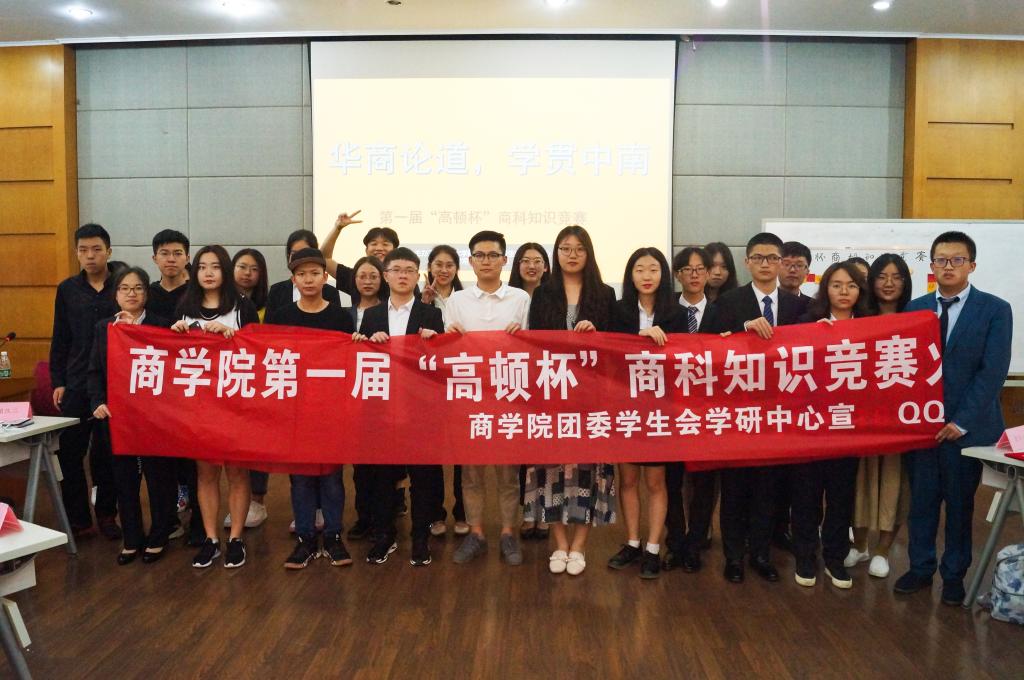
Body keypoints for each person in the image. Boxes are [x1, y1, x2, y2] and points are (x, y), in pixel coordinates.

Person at [895, 231, 1012, 606]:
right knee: (922, 503)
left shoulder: (995, 309)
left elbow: (992, 372)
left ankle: (954, 576)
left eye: (957, 260)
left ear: (971, 265)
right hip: (922, 429)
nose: (948, 266)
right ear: (931, 265)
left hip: (966, 431)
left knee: (961, 507)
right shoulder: (914, 309)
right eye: (941, 260)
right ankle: (920, 568)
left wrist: (960, 421)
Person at [712, 232, 808, 584]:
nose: (765, 264)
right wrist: (742, 330)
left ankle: (761, 555)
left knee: (768, 490)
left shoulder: (799, 306)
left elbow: (815, 347)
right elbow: (707, 346)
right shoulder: (728, 302)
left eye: (772, 258)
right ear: (747, 262)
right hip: (738, 412)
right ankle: (733, 557)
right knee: (735, 489)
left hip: (779, 414)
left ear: (782, 263)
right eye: (758, 258)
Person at [525, 225, 617, 576]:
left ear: (588, 253)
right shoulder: (543, 294)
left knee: (589, 471)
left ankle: (579, 545)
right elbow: (535, 344)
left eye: (579, 248)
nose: (572, 254)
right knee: (550, 469)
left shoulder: (605, 294)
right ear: (557, 253)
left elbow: (615, 347)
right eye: (565, 248)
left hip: (592, 397)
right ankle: (559, 543)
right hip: (552, 395)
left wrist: (596, 335)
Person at [445, 230, 531, 566]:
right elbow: (446, 352)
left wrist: (523, 337)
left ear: (504, 260)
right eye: (479, 255)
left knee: (508, 473)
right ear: (470, 261)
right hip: (469, 398)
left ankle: (509, 533)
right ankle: (476, 532)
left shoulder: (520, 299)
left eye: (493, 255)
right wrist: (448, 338)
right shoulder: (456, 301)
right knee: (471, 473)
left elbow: (533, 348)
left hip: (509, 395)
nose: (486, 261)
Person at [264, 248, 354, 569]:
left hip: (330, 411)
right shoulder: (281, 316)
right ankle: (304, 538)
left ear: (325, 277)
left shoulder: (341, 317)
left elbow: (350, 363)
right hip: (295, 411)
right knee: (301, 478)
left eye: (315, 273)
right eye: (301, 274)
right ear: (293, 280)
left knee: (331, 478)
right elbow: (267, 357)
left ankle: (333, 536)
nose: (308, 279)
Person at [171, 245, 260, 569]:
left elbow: (259, 351)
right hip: (200, 405)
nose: (208, 273)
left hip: (235, 401)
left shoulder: (242, 306)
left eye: (215, 266)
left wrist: (232, 335)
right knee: (206, 473)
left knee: (237, 472)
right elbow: (173, 357)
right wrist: (175, 334)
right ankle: (210, 539)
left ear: (225, 270)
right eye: (202, 267)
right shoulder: (185, 306)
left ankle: (235, 538)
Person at [356, 247, 446, 565]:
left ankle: (420, 537)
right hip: (382, 408)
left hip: (419, 409)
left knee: (423, 477)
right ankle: (384, 535)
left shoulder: (431, 315)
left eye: (409, 270)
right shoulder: (372, 316)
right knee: (382, 477)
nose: (403, 275)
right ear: (386, 275)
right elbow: (361, 360)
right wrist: (364, 342)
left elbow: (442, 363)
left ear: (417, 275)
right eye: (396, 270)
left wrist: (436, 342)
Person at [88, 267, 176, 565]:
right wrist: (97, 401)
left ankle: (159, 536)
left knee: (158, 478)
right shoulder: (104, 328)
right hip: (118, 417)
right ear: (115, 294)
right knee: (124, 480)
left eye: (138, 288)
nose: (131, 294)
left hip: (154, 417)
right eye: (124, 288)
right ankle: (132, 538)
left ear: (147, 294)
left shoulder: (161, 325)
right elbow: (94, 371)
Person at [791, 261, 870, 589]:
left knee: (841, 497)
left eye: (851, 285)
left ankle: (835, 558)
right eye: (836, 285)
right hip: (810, 428)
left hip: (849, 428)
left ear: (860, 291)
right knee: (807, 496)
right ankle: (805, 556)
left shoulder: (870, 326)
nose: (844, 291)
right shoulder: (806, 323)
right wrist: (815, 338)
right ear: (826, 290)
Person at [607, 247, 684, 580]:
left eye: (653, 269)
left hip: (660, 409)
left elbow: (684, 358)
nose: (647, 276)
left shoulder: (677, 313)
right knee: (627, 480)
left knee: (655, 482)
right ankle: (633, 543)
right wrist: (638, 338)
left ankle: (653, 547)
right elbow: (607, 349)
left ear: (663, 274)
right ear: (630, 275)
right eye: (639, 269)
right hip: (625, 406)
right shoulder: (617, 310)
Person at [49, 223, 121, 539]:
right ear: (76, 253)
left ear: (108, 251)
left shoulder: (123, 286)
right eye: (83, 250)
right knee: (69, 452)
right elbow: (60, 337)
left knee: (107, 454)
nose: (90, 256)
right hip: (76, 382)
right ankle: (78, 519)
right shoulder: (67, 289)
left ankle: (107, 514)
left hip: (112, 384)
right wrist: (58, 380)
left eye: (96, 249)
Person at [846, 254, 914, 579]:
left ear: (905, 282)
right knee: (858, 481)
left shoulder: (918, 318)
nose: (888, 283)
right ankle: (859, 546)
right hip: (861, 419)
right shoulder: (858, 317)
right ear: (871, 282)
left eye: (896, 277)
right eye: (881, 277)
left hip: (901, 420)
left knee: (894, 484)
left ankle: (883, 550)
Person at [663, 246, 719, 574]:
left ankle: (696, 542)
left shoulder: (723, 313)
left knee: (704, 484)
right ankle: (675, 542)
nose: (694, 275)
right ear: (678, 274)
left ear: (709, 274)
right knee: (671, 482)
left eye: (700, 269)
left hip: (708, 413)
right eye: (688, 269)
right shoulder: (666, 313)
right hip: (671, 410)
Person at [146, 229, 197, 540]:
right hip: (156, 387)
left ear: (187, 257)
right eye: (164, 253)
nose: (171, 259)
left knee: (193, 459)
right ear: (154, 258)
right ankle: (166, 522)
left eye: (178, 253)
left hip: (191, 385)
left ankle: (198, 525)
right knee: (160, 459)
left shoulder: (199, 293)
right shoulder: (146, 293)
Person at [222, 247, 274, 532]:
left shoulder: (269, 304)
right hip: (229, 381)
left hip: (262, 382)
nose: (247, 273)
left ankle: (257, 500)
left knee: (258, 442)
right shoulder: (220, 302)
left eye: (254, 269)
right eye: (242, 266)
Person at [419, 245, 469, 538]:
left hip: (461, 382)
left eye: (449, 265)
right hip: (428, 387)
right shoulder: (419, 299)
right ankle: (435, 513)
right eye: (438, 264)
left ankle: (462, 512)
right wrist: (424, 306)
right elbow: (412, 341)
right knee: (432, 454)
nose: (443, 270)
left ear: (457, 269)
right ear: (430, 267)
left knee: (462, 453)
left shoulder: (466, 299)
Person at [508, 242, 551, 541]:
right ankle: (527, 513)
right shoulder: (508, 297)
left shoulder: (554, 297)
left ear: (546, 267)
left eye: (537, 260)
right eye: (525, 260)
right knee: (523, 452)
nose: (531, 266)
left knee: (545, 452)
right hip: (517, 381)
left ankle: (545, 512)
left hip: (547, 381)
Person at [321, 210, 398, 296]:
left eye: (385, 244)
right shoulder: (354, 276)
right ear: (366, 250)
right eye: (374, 244)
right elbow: (324, 259)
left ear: (395, 251)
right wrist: (337, 228)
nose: (379, 248)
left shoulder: (402, 278)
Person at [266, 230, 342, 315]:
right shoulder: (276, 291)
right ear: (288, 256)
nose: (300, 257)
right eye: (295, 254)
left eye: (306, 251)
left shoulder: (331, 292)